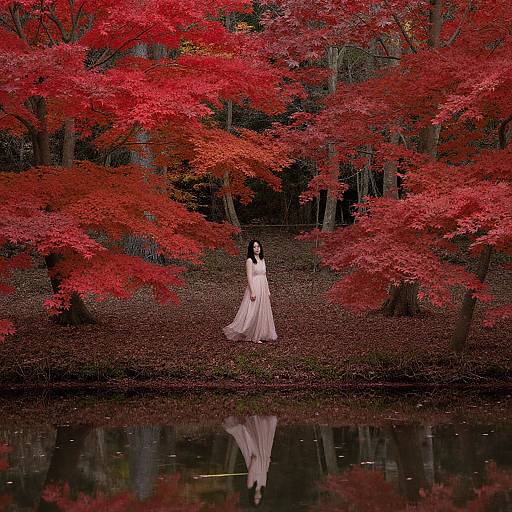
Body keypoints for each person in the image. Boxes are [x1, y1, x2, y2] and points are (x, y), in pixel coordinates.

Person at [223, 240, 277, 343]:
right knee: (253, 310)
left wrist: (268, 290)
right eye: (254, 247)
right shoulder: (249, 260)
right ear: (251, 249)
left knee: (262, 310)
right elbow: (249, 277)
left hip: (263, 286)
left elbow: (264, 275)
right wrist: (252, 291)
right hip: (255, 286)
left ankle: (260, 333)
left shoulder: (262, 259)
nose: (257, 248)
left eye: (258, 246)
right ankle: (251, 334)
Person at [223, 415, 278, 507]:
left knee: (251, 441)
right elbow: (265, 472)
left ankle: (247, 425)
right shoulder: (262, 485)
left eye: (256, 499)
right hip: (262, 461)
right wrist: (267, 461)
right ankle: (256, 422)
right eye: (259, 499)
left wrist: (253, 461)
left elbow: (251, 473)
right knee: (260, 440)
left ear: (252, 497)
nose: (258, 497)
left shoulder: (250, 486)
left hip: (255, 461)